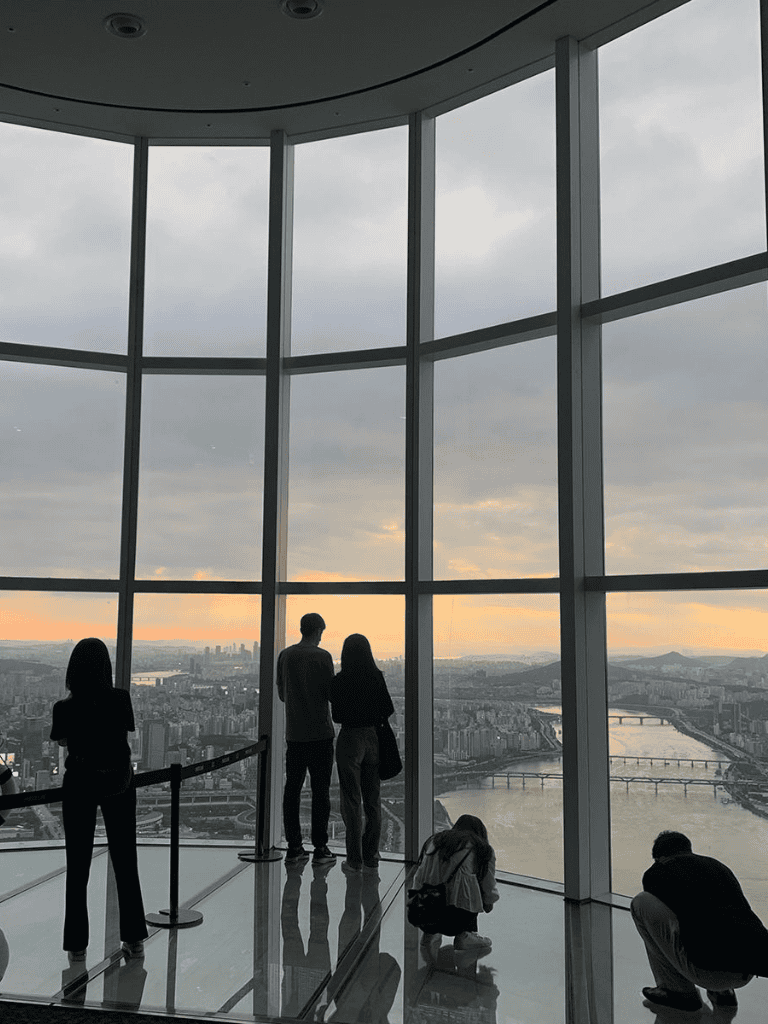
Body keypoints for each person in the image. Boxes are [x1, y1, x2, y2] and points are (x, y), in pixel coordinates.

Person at [50, 638, 148, 963]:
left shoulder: (64, 707)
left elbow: (63, 740)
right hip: (119, 781)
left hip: (79, 783)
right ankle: (134, 940)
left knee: (78, 865)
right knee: (125, 859)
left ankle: (76, 945)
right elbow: (126, 731)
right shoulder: (120, 699)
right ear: (106, 667)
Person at [631, 829, 768, 1012]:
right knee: (713, 917)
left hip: (706, 970)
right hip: (749, 968)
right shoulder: (718, 867)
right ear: (689, 849)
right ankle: (723, 993)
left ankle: (677, 991)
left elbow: (669, 921)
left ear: (659, 856)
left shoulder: (659, 871)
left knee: (641, 902)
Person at [329, 633, 395, 872]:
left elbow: (336, 716)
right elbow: (388, 707)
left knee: (352, 801)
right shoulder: (376, 677)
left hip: (349, 739)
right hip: (373, 738)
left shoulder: (339, 681)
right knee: (373, 800)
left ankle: (354, 860)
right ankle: (371, 855)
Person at [277, 612, 336, 865]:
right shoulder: (323, 657)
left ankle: (294, 846)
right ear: (318, 630)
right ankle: (320, 848)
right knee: (320, 791)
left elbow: (282, 694)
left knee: (292, 789)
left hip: (295, 734)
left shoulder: (285, 656)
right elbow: (331, 693)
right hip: (321, 734)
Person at [411, 814, 499, 954]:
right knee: (470, 887)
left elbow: (418, 878)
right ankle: (464, 934)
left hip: (423, 913)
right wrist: (488, 903)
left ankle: (429, 934)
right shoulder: (482, 849)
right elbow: (488, 886)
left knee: (440, 884)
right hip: (456, 919)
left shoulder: (435, 841)